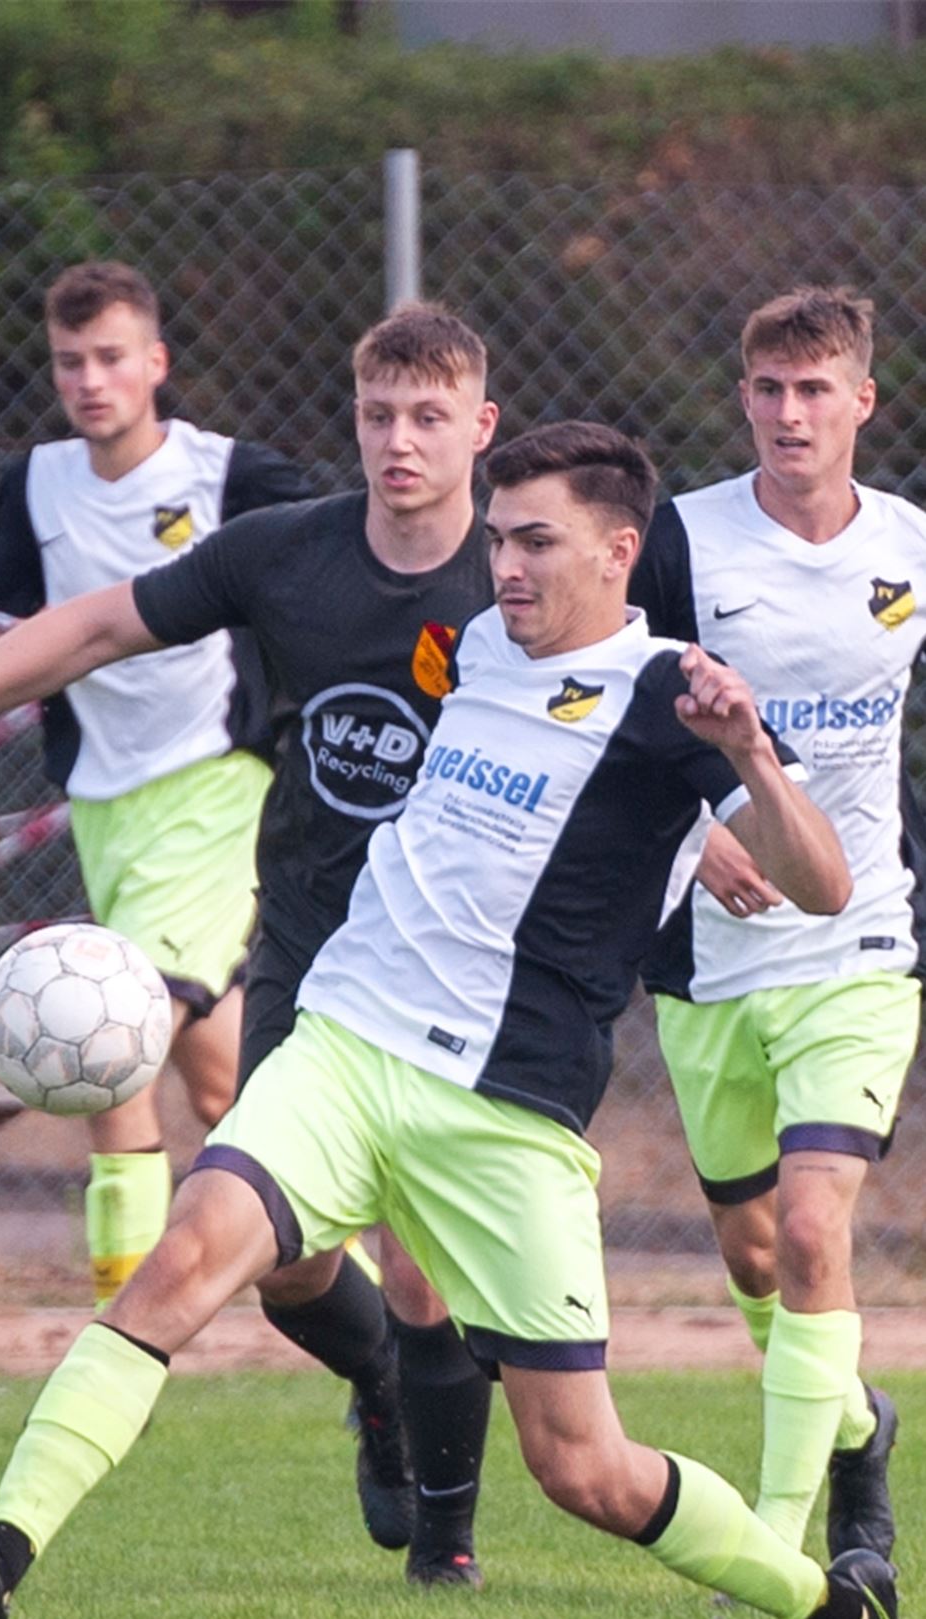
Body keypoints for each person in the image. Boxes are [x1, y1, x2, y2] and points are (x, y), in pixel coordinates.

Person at [0, 422, 893, 1619]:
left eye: (537, 542)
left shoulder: (671, 697)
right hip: (346, 1041)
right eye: (497, 540)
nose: (506, 567)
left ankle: (816, 1599)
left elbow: (824, 885)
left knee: (582, 1466)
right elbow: (112, 622)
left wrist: (749, 758)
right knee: (184, 1257)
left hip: (504, 1112)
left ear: (617, 549)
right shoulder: (482, 644)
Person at [0, 301, 505, 1584]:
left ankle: (446, 1543)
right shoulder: (289, 552)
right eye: (378, 413)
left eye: (429, 416)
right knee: (284, 1266)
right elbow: (100, 622)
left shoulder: (523, 571)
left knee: (435, 1279)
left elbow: (631, 709)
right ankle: (372, 1380)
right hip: (312, 965)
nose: (399, 439)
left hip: (463, 983)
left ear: (481, 428)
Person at [0, 260, 312, 1314]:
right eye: (71, 362)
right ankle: (356, 1292)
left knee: (106, 1036)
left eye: (111, 357)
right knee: (221, 1082)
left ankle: (125, 1313)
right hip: (105, 803)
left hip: (214, 787)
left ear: (155, 363)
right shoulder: (39, 483)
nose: (91, 380)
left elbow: (343, 549)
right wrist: (72, 646)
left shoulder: (225, 474)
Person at [630, 285, 925, 1562]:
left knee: (816, 1230)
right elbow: (606, 707)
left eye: (816, 389)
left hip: (859, 943)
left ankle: (799, 1550)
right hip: (708, 960)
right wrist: (701, 834)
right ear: (743, 397)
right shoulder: (681, 542)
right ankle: (858, 1426)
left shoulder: (911, 542)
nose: (789, 412)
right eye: (768, 388)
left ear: (864, 400)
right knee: (762, 1265)